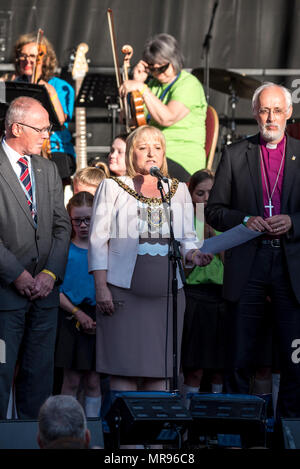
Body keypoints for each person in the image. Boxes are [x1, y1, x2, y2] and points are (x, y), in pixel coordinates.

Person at [88, 125, 212, 396]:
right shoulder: (112, 187)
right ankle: (129, 440)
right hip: (122, 293)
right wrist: (101, 288)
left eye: (157, 147)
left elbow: (187, 238)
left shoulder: (178, 190)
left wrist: (195, 254)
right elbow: (97, 241)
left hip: (168, 297)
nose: (150, 153)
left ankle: (156, 441)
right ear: (131, 153)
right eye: (143, 148)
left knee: (162, 370)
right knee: (125, 370)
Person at [205, 82, 300, 419]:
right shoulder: (234, 153)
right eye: (264, 110)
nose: (270, 117)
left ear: (289, 113)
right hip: (249, 263)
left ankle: (288, 436)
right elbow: (214, 211)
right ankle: (235, 436)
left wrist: (292, 222)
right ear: (254, 113)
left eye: (277, 110)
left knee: (294, 363)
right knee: (239, 359)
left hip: (291, 267)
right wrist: (245, 220)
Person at [0, 96, 71, 419]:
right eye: (41, 129)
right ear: (16, 127)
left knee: (38, 379)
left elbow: (62, 226)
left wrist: (49, 275)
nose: (47, 136)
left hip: (44, 298)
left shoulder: (47, 168)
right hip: (5, 296)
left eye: (48, 129)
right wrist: (17, 275)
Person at [119, 33, 207, 182]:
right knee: (117, 163)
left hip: (181, 157)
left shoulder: (189, 84)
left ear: (174, 60)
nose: (158, 73)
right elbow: (127, 120)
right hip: (151, 154)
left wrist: (142, 88)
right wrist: (135, 83)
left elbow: (167, 118)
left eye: (162, 68)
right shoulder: (152, 85)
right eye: (153, 69)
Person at [55, 191, 101, 418]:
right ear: (69, 220)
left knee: (93, 380)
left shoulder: (103, 249)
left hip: (97, 317)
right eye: (77, 220)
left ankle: (92, 428)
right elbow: (56, 290)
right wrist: (77, 314)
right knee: (71, 379)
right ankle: (65, 430)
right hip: (69, 316)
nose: (83, 225)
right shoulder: (64, 250)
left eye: (88, 219)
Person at [8, 33, 76, 186]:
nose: (27, 60)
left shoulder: (59, 86)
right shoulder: (13, 84)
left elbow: (60, 121)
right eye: (23, 55)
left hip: (53, 149)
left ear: (44, 59)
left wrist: (49, 91)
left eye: (33, 56)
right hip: (19, 146)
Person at [181, 170, 225, 403]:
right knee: (194, 368)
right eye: (201, 193)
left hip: (221, 297)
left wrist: (218, 241)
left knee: (219, 368)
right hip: (194, 297)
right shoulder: (186, 221)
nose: (207, 198)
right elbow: (181, 269)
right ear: (190, 194)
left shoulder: (226, 220)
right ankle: (187, 426)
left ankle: (215, 425)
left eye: (211, 193)